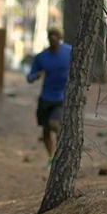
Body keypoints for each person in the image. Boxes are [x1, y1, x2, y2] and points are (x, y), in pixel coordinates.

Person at [26, 27, 73, 168]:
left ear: (60, 37)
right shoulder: (41, 57)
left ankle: (61, 154)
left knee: (55, 124)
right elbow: (29, 76)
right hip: (46, 97)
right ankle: (51, 157)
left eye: (56, 35)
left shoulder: (69, 52)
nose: (53, 37)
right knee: (46, 129)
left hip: (62, 96)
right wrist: (35, 76)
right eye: (50, 35)